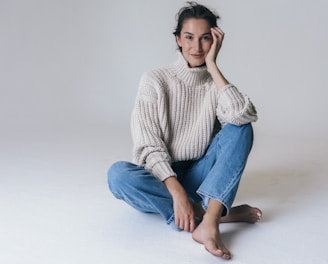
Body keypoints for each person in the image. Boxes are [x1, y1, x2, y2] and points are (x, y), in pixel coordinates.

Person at [107, 1, 262, 260]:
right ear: (178, 39)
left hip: (200, 175)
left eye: (205, 39)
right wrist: (175, 190)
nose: (197, 47)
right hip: (161, 178)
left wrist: (213, 66)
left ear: (214, 41)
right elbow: (147, 144)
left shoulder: (215, 84)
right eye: (189, 37)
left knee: (241, 128)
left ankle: (210, 221)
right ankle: (216, 212)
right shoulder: (155, 79)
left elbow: (242, 116)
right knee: (118, 176)